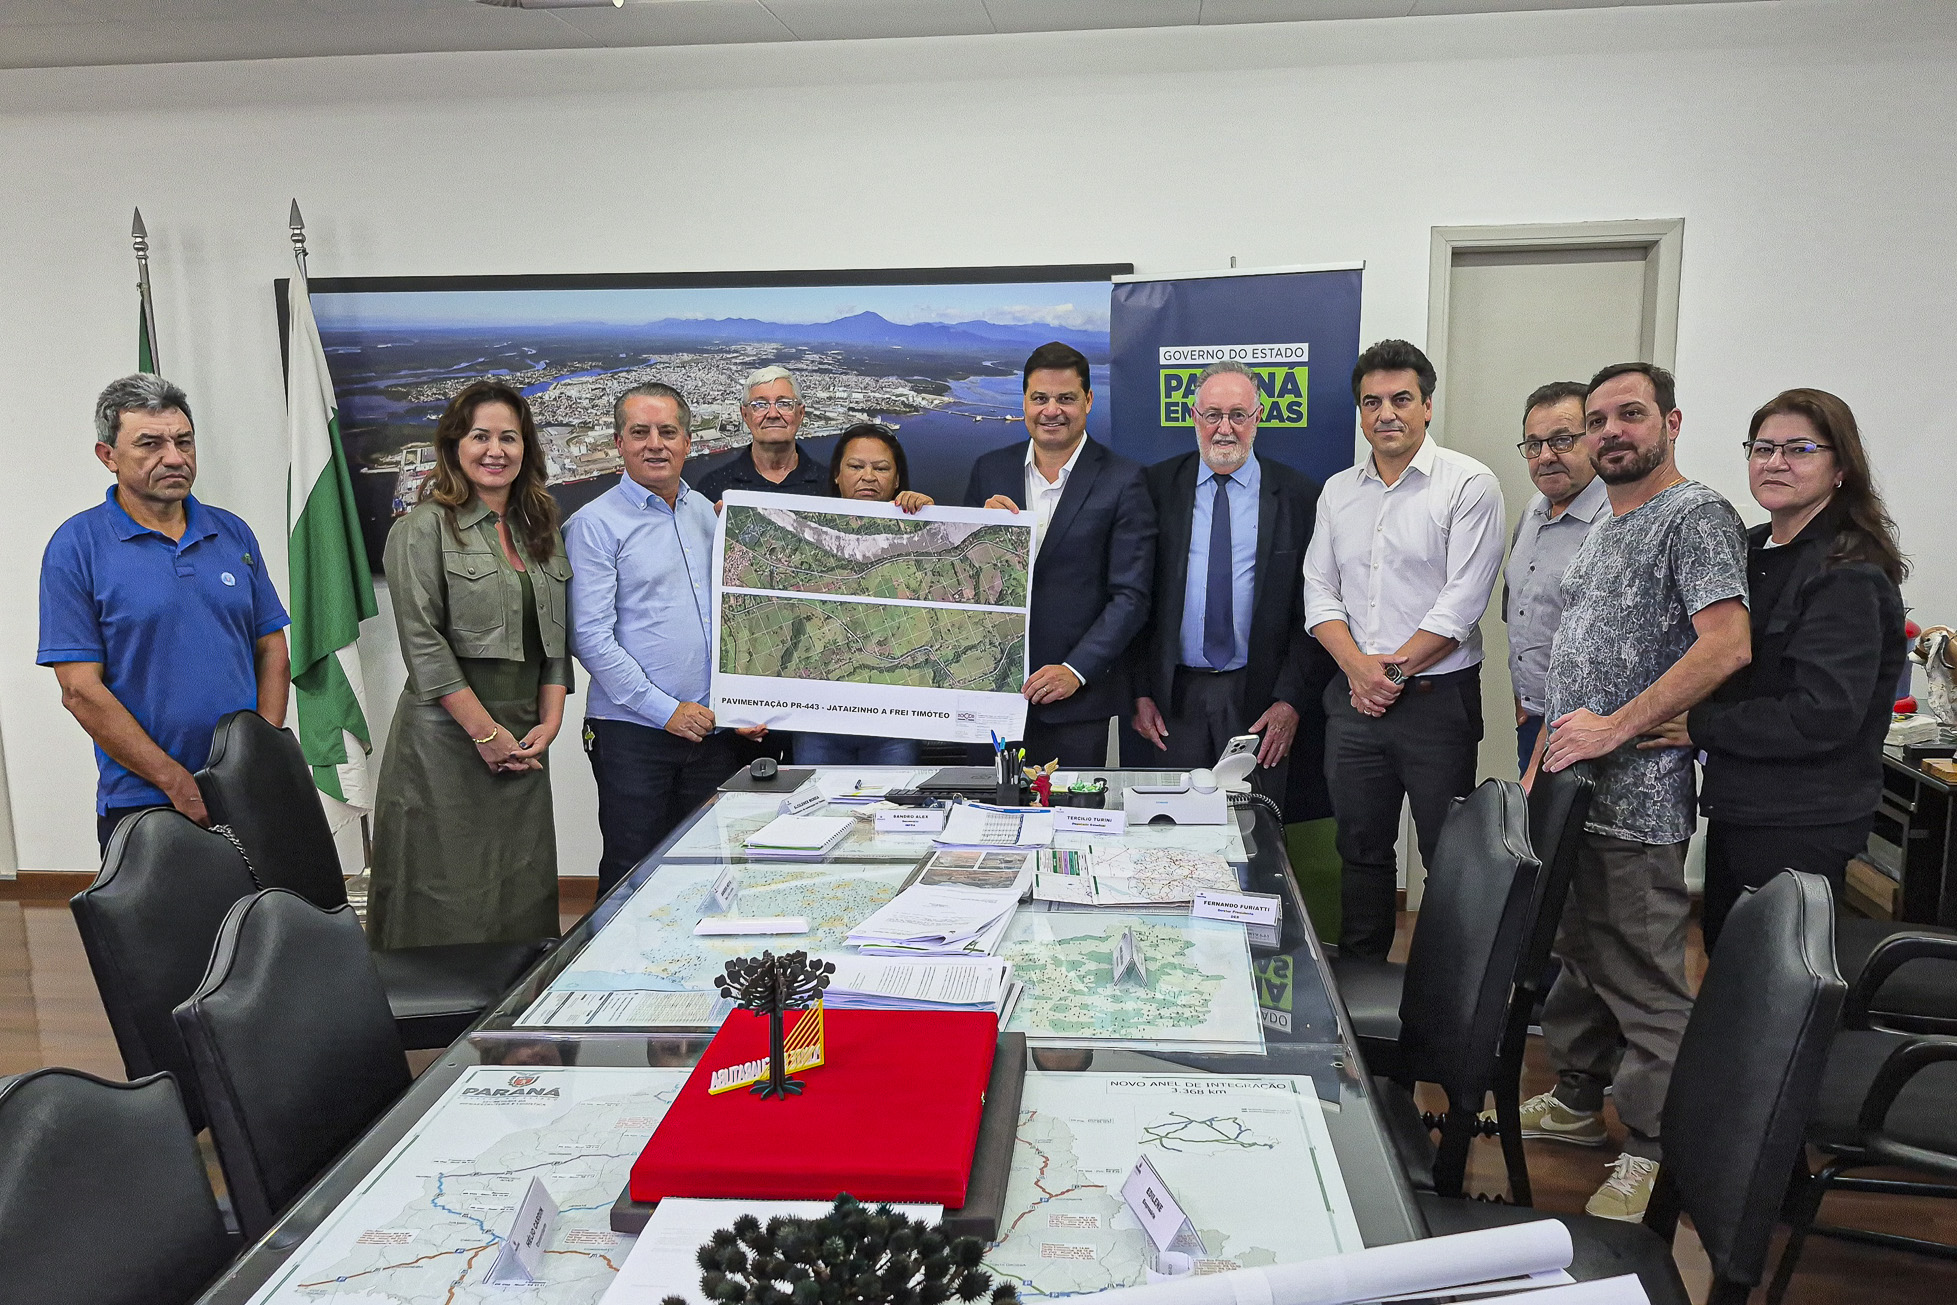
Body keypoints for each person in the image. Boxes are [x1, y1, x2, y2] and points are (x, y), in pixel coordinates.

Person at [1524, 361, 1752, 1221]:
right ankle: (1578, 1098)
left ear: (1671, 422)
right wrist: (1541, 763)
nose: (1610, 432)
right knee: (1582, 956)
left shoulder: (1694, 515)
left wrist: (1614, 729)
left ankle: (1658, 1149)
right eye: (1597, 420)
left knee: (1646, 980)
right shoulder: (1605, 524)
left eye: (1630, 414)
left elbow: (1725, 644)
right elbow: (1575, 664)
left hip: (1639, 804)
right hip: (1573, 795)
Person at [1640, 390, 1907, 949]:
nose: (1775, 463)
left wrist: (1699, 724)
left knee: (1771, 973)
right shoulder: (1750, 549)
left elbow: (1822, 714)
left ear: (1840, 468)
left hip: (1802, 818)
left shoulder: (1848, 572)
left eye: (1799, 449)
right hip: (1742, 804)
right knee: (1727, 952)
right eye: (1763, 448)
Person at [1302, 339, 1505, 963]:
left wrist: (1386, 672)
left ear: (1427, 406)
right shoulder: (1338, 491)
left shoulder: (1470, 484)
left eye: (1401, 399)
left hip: (1436, 704)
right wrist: (1358, 670)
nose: (1386, 413)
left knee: (1448, 853)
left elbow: (1462, 602)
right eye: (1372, 403)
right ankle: (1363, 982)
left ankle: (1445, 991)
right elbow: (1318, 589)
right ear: (1360, 412)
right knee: (1360, 850)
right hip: (1354, 701)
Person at [38, 374, 291, 852]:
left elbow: (272, 650)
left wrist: (260, 757)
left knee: (269, 904)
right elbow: (79, 690)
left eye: (183, 441)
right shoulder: (76, 547)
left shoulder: (232, 532)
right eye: (150, 443)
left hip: (245, 790)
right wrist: (177, 783)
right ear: (108, 456)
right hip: (143, 800)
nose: (174, 457)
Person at [369, 380, 572, 949]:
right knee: (445, 890)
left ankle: (517, 1000)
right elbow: (423, 643)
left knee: (520, 885)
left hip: (525, 733)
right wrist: (484, 733)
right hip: (447, 738)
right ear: (454, 445)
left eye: (509, 438)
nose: (495, 450)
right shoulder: (421, 528)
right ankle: (430, 999)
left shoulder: (540, 530)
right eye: (481, 436)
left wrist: (551, 719)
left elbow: (555, 636)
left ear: (526, 448)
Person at [567, 383, 766, 894]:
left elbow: (735, 617)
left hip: (713, 732)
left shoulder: (708, 514)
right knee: (633, 871)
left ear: (688, 442)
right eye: (640, 432)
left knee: (711, 868)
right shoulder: (593, 525)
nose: (655, 444)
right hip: (634, 734)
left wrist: (740, 704)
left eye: (668, 432)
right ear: (619, 443)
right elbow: (589, 637)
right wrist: (666, 711)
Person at [1130, 360, 1322, 806]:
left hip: (1260, 701)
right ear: (1193, 417)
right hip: (1172, 700)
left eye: (1238, 415)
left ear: (1258, 418)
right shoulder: (1155, 488)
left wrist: (1290, 700)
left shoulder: (1298, 496)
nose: (1224, 428)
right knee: (1173, 827)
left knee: (1255, 829)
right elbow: (1135, 597)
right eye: (1212, 415)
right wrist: (1139, 691)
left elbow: (1314, 608)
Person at [964, 342, 1156, 767]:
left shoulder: (1125, 480)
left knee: (1065, 808)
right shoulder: (988, 470)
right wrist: (977, 532)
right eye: (1040, 398)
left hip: (1075, 702)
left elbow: (1131, 596)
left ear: (1088, 400)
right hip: (992, 691)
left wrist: (1076, 670)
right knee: (988, 807)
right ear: (1024, 402)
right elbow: (963, 580)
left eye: (1066, 398)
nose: (1052, 410)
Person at [795, 423, 938, 768]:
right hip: (818, 721)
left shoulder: (920, 532)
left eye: (881, 468)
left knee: (892, 801)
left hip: (894, 722)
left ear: (897, 478)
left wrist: (933, 520)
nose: (868, 476)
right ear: (836, 474)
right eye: (856, 466)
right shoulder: (800, 534)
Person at [1504, 381, 1609, 775]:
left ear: (1594, 438)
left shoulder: (1616, 520)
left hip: (1592, 727)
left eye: (1562, 440)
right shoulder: (1533, 510)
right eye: (1534, 445)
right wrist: (1523, 699)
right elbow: (1520, 611)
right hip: (1533, 720)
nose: (1545, 456)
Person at [693, 365, 830, 503]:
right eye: (759, 405)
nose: (773, 414)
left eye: (784, 403)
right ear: (745, 415)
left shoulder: (832, 487)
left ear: (800, 414)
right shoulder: (712, 488)